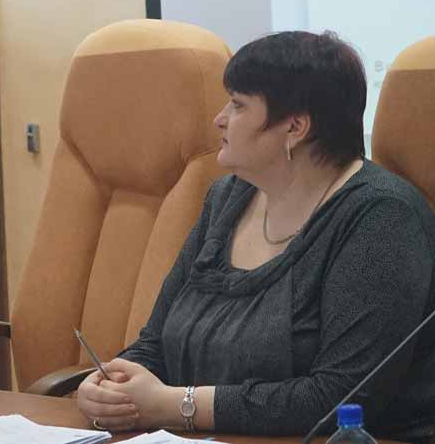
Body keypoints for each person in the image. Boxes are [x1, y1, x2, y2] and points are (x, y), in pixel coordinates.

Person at [76, 32, 435, 441]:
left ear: (295, 126)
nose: (219, 118)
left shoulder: (381, 216)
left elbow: (343, 397)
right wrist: (111, 386)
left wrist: (178, 405)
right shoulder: (225, 198)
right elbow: (156, 343)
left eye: (238, 104)